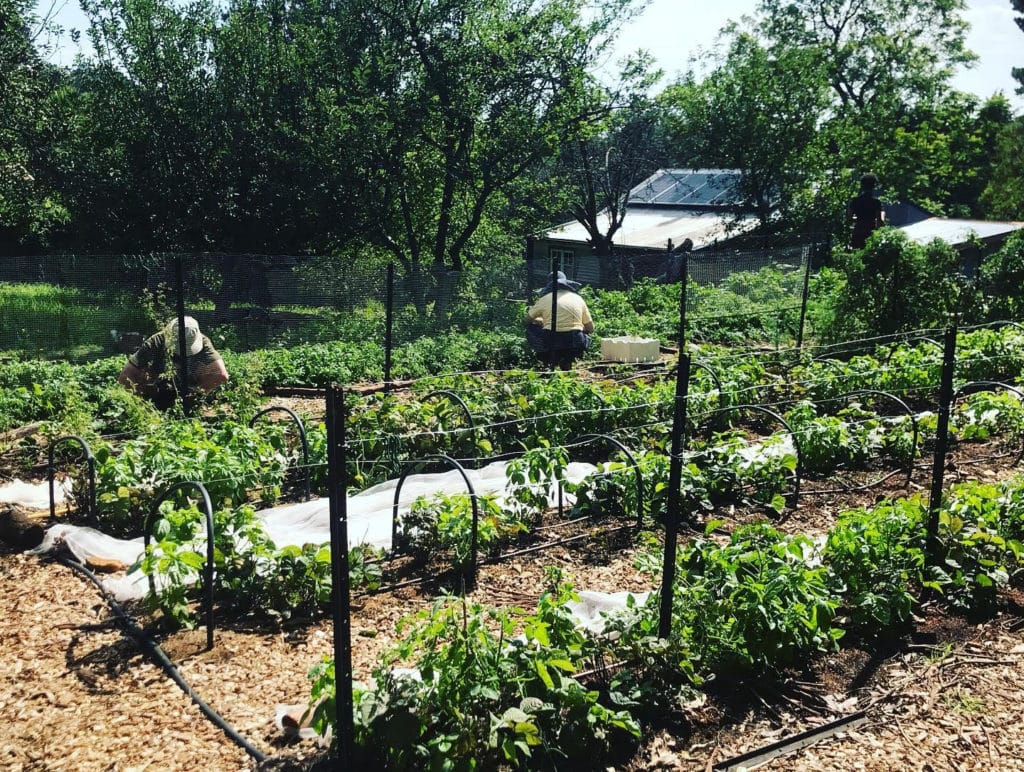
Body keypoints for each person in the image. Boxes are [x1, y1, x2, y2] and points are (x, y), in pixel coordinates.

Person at [117, 316, 229, 410]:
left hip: (190, 384)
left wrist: (196, 393)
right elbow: (125, 375)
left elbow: (221, 375)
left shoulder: (204, 344)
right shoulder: (155, 342)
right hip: (158, 386)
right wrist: (140, 403)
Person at [524, 271, 595, 370]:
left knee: (530, 328)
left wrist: (541, 321)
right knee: (585, 335)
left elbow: (527, 320)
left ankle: (546, 360)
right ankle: (569, 359)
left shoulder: (545, 299)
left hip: (551, 341)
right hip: (574, 342)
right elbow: (591, 328)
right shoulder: (578, 298)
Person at [846, 173, 885, 249]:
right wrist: (883, 214)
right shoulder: (876, 202)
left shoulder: (855, 201)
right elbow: (880, 222)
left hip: (857, 232)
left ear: (862, 185)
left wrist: (859, 219)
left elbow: (849, 219)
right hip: (870, 233)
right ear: (874, 186)